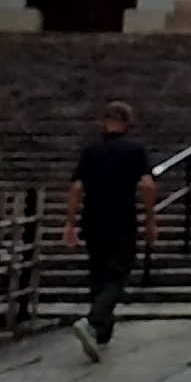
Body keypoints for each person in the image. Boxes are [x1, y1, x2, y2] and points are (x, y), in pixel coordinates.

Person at [63, 101, 156, 362]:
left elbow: (77, 187)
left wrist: (69, 221)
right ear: (127, 122)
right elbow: (147, 185)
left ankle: (102, 331)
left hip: (92, 219)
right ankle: (93, 322)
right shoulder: (135, 150)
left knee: (98, 272)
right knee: (117, 275)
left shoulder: (91, 150)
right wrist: (150, 219)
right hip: (122, 219)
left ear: (104, 121)